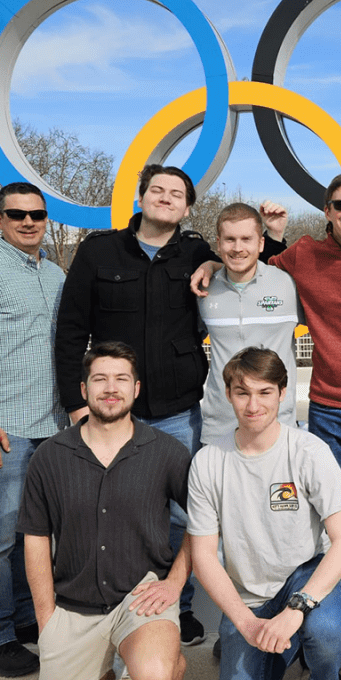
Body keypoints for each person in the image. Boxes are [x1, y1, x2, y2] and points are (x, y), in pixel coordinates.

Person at [194, 172, 341, 527]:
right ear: (327, 211)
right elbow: (250, 268)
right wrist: (213, 264)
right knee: (331, 504)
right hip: (327, 406)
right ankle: (337, 581)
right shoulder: (303, 257)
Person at [55, 164, 215, 647]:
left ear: (187, 208)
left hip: (177, 409)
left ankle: (176, 604)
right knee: (110, 509)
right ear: (141, 198)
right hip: (109, 411)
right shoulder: (99, 251)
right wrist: (75, 404)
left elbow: (250, 259)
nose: (166, 198)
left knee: (180, 515)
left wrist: (214, 262)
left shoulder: (196, 252)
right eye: (157, 190)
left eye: (176, 194)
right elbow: (70, 330)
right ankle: (111, 603)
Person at [17, 342, 193, 680]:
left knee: (153, 673)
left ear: (136, 389)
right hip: (75, 607)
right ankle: (108, 665)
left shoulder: (167, 452)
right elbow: (36, 539)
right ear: (83, 389)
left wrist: (175, 581)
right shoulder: (50, 457)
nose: (110, 389)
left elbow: (205, 523)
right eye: (100, 379)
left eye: (120, 380)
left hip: (140, 598)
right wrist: (46, 620)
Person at [188, 347, 341, 680]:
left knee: (328, 628)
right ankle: (287, 643)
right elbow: (204, 557)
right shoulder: (209, 462)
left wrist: (296, 609)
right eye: (242, 392)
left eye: (265, 392)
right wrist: (248, 625)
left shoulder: (308, 451)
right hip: (251, 596)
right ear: (228, 394)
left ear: (282, 393)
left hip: (304, 578)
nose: (253, 404)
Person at [0, 181, 67, 677]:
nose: (29, 221)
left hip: (52, 426)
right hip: (6, 429)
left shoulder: (54, 272)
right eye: (17, 214)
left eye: (37, 214)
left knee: (35, 533)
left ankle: (25, 620)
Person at [197, 202, 299, 443]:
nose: (238, 248)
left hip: (278, 427)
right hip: (220, 429)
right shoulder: (202, 288)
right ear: (219, 243)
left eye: (246, 239)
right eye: (230, 240)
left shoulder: (288, 284)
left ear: (260, 243)